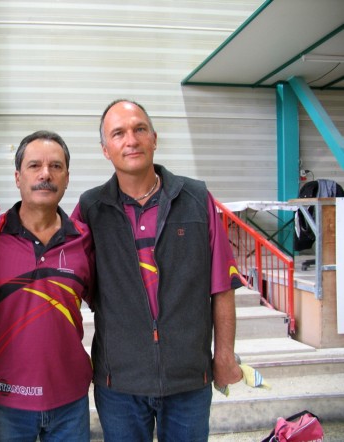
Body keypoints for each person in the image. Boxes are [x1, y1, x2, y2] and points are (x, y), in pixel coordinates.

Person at [71, 99, 243, 441]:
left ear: (154, 138)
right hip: (119, 383)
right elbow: (67, 283)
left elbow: (222, 286)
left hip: (189, 378)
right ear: (105, 150)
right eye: (118, 133)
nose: (131, 140)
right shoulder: (91, 209)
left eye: (139, 129)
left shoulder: (196, 198)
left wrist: (224, 355)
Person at [0, 130, 94, 441]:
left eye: (56, 166)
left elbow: (110, 301)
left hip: (70, 399)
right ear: (18, 177)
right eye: (34, 166)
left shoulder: (84, 239)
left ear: (67, 178)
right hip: (6, 398)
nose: (46, 174)